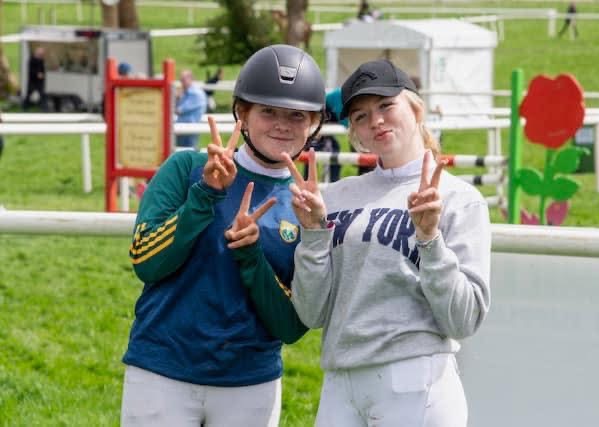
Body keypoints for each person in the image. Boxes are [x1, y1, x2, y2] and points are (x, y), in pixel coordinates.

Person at [120, 44, 326, 426]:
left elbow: (292, 325)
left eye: (296, 115)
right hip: (161, 371)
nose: (282, 124)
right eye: (268, 111)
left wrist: (251, 255)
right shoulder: (186, 168)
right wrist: (204, 195)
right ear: (242, 113)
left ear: (314, 123)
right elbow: (146, 262)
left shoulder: (309, 206)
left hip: (250, 383)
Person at [283, 59, 491, 427]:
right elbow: (311, 313)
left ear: (416, 109)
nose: (376, 121)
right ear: (354, 132)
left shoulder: (458, 198)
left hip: (416, 379)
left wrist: (430, 240)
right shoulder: (333, 197)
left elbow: (464, 319)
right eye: (361, 116)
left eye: (386, 105)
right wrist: (313, 233)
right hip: (340, 382)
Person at [175, 69, 207, 149]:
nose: (181, 82)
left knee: (187, 152)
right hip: (183, 129)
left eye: (183, 80)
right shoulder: (186, 93)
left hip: (189, 129)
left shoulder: (195, 94)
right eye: (181, 80)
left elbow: (178, 110)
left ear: (191, 79)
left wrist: (176, 97)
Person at [22, 46, 46, 111]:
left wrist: (42, 74)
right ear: (36, 52)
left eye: (42, 53)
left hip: (39, 81)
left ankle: (43, 107)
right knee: (30, 93)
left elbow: (43, 70)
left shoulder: (41, 60)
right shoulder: (31, 60)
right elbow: (30, 70)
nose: (41, 55)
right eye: (40, 53)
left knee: (42, 94)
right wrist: (37, 74)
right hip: (32, 80)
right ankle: (25, 106)